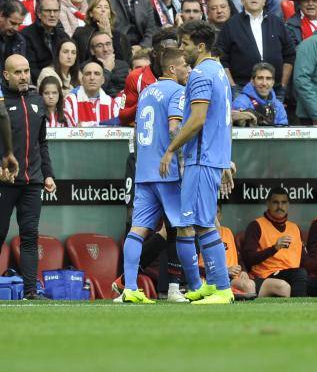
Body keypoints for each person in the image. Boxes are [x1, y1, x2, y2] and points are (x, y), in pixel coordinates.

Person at [159, 21, 235, 305]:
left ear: (200, 46)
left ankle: (222, 288)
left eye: (185, 43)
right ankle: (212, 284)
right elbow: (222, 119)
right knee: (198, 222)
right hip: (210, 157)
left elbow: (198, 119)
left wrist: (171, 149)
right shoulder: (219, 72)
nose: (182, 49)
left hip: (201, 158)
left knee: (203, 224)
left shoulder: (201, 73)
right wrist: (225, 158)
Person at [115, 47, 189, 304]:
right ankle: (175, 289)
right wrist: (180, 159)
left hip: (144, 171)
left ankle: (130, 288)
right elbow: (174, 127)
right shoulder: (178, 92)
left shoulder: (146, 92)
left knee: (137, 231)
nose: (188, 70)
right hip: (166, 171)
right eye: (184, 66)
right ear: (172, 69)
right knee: (181, 229)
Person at [0, 54, 51, 299]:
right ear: (6, 75)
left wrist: (48, 174)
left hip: (33, 182)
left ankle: (31, 292)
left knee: (30, 236)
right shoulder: (1, 103)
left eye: (26, 71)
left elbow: (42, 143)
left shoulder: (37, 101)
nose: (23, 76)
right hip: (5, 181)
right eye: (17, 72)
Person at [215, 0, 296, 95]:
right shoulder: (231, 25)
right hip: (241, 90)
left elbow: (289, 55)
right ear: (242, 0)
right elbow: (221, 59)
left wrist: (283, 85)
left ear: (264, 1)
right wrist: (232, 86)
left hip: (274, 90)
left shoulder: (277, 22)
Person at [242, 187, 308, 297]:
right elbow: (248, 259)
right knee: (300, 274)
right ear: (268, 204)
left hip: (294, 274)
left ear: (288, 205)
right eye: (275, 202)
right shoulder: (256, 226)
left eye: (283, 202)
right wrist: (274, 248)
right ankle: (300, 308)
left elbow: (305, 260)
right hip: (268, 274)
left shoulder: (294, 228)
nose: (280, 207)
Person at [73, 0, 133, 64]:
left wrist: (109, 35)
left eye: (106, 7)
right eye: (98, 7)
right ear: (91, 13)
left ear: (110, 14)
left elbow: (123, 61)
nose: (103, 10)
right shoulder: (81, 33)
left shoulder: (120, 36)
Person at [22, 0, 69, 83]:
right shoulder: (26, 35)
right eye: (48, 11)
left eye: (55, 11)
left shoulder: (63, 36)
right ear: (39, 13)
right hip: (40, 85)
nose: (52, 15)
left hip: (63, 82)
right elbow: (31, 69)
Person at [63, 60, 122, 126]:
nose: (92, 78)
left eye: (97, 74)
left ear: (103, 80)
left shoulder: (111, 103)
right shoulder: (70, 100)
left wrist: (83, 125)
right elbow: (72, 131)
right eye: (88, 74)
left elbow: (117, 130)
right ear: (82, 80)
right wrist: (103, 125)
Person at [231, 62, 288, 126]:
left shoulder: (279, 106)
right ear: (252, 81)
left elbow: (283, 132)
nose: (264, 83)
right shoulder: (241, 102)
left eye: (268, 78)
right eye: (260, 78)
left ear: (273, 82)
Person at [88, 31, 130, 96]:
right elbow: (94, 93)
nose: (105, 49)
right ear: (92, 51)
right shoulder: (87, 67)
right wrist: (107, 69)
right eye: (100, 46)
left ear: (113, 47)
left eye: (108, 44)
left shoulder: (123, 65)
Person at [0, 2, 27, 75]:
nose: (16, 29)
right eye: (13, 23)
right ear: (1, 15)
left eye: (19, 24)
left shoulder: (20, 41)